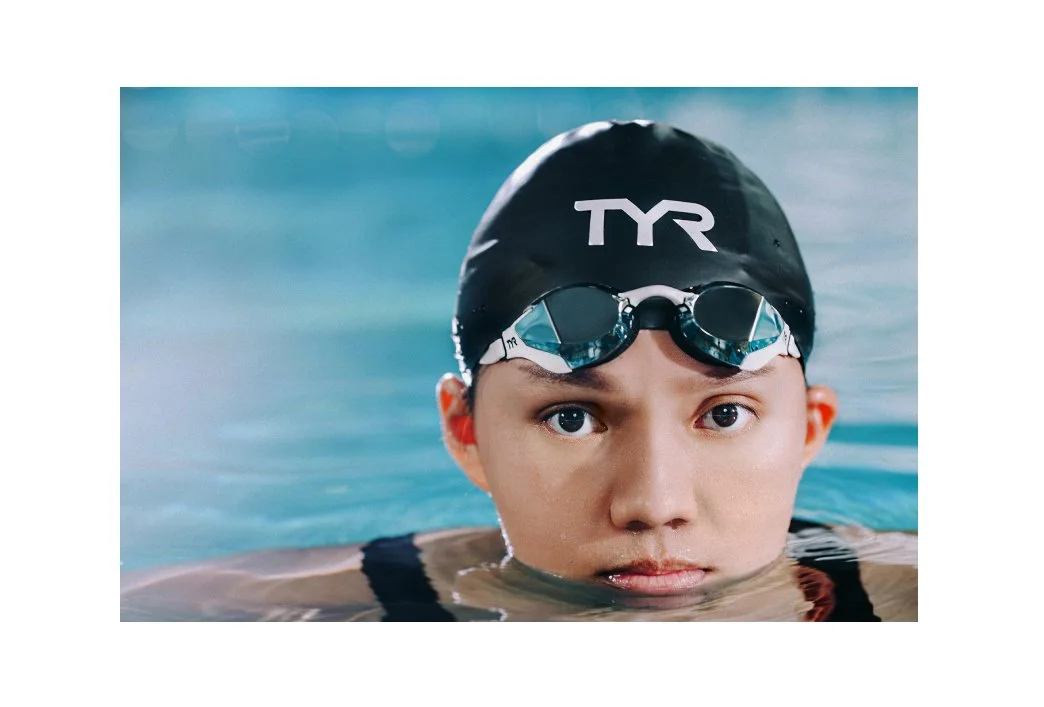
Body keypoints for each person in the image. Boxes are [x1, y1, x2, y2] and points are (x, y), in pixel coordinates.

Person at [120, 120, 918, 621]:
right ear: (465, 431)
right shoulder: (274, 612)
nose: (653, 504)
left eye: (723, 413)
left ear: (810, 428)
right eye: (572, 415)